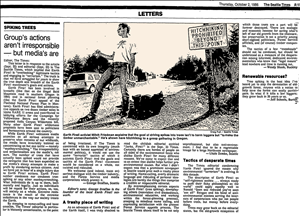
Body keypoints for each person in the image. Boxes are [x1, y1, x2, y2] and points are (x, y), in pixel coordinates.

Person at [78, 23, 137, 124]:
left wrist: (131, 73)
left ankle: (124, 115)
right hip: (112, 67)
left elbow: (132, 59)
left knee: (124, 92)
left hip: (124, 67)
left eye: (120, 29)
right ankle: (92, 114)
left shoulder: (132, 42)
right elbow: (112, 57)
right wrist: (100, 54)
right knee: (98, 87)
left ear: (125, 29)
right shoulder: (117, 42)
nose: (118, 31)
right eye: (117, 29)